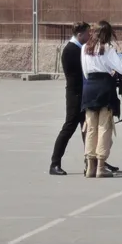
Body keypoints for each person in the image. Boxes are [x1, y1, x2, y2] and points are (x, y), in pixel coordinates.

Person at [80, 19, 122, 178]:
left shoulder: (85, 48)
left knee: (90, 127)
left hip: (89, 87)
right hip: (105, 88)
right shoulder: (108, 49)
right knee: (104, 127)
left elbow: (85, 72)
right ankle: (101, 166)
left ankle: (90, 166)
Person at [49, 21, 91, 176]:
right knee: (69, 127)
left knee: (88, 129)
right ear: (80, 35)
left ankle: (94, 160)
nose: (89, 36)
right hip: (75, 95)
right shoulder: (71, 50)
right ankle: (55, 163)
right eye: (87, 33)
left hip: (83, 93)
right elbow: (78, 74)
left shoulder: (80, 49)